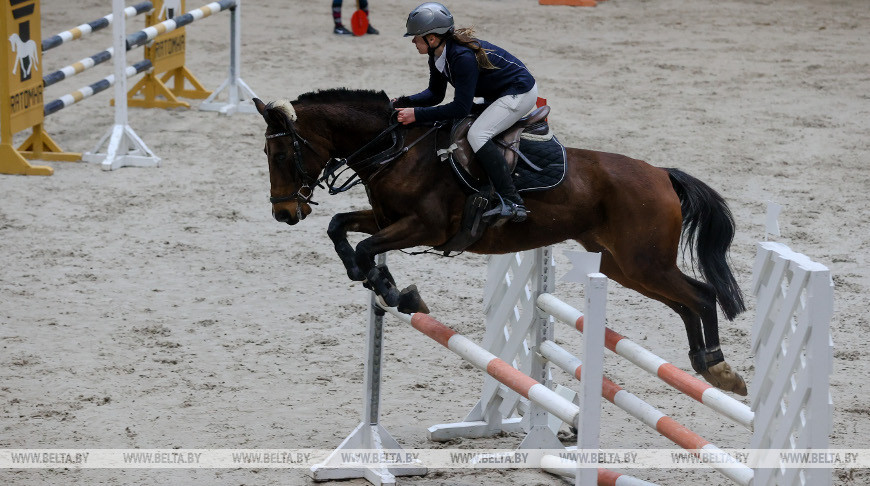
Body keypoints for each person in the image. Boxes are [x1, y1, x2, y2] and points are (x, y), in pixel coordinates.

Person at [393, 2, 537, 223]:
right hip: (496, 92)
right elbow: (435, 94)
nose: (413, 41)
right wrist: (403, 102)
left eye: (416, 37)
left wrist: (417, 114)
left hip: (519, 92)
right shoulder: (438, 55)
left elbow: (460, 107)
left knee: (477, 134)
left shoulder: (461, 57)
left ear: (432, 38)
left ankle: (512, 200)